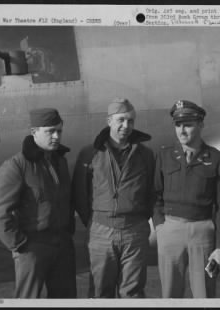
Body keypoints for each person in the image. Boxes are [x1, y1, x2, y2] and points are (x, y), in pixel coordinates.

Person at [0, 108, 76, 298]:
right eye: (50, 131)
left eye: (59, 131)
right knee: (28, 299)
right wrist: (19, 244)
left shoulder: (60, 162)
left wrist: (68, 233)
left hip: (62, 244)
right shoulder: (16, 166)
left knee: (65, 299)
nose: (56, 136)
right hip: (32, 246)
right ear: (34, 132)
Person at [72, 98, 155, 298]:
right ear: (109, 121)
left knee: (133, 292)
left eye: (130, 121)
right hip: (101, 232)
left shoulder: (145, 154)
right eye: (120, 120)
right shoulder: (89, 153)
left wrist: (140, 221)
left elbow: (152, 191)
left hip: (134, 231)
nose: (126, 126)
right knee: (101, 291)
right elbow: (80, 194)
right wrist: (95, 221)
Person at [153, 100, 220, 298]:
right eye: (178, 125)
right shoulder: (164, 156)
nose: (182, 131)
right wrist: (160, 226)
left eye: (188, 124)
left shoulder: (217, 159)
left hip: (202, 232)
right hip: (170, 231)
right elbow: (155, 196)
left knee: (204, 295)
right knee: (170, 295)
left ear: (200, 125)